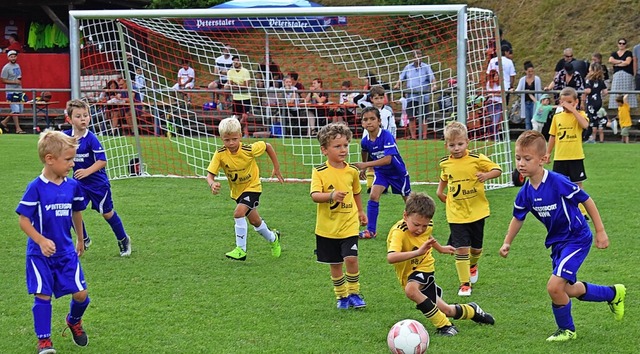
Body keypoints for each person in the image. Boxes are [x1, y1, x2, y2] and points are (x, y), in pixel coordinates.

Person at [500, 130, 626, 342]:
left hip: (577, 238)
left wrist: (601, 231)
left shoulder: (557, 181)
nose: (521, 163)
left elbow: (586, 200)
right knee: (567, 289)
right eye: (518, 158)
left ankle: (567, 330)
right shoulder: (526, 192)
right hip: (558, 243)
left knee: (554, 287)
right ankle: (613, 294)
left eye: (527, 159)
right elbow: (518, 217)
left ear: (542, 160)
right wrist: (507, 242)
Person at [16, 130, 91, 353]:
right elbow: (23, 220)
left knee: (81, 294)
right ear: (50, 159)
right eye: (68, 160)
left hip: (66, 251)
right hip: (40, 255)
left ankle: (73, 320)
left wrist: (80, 238)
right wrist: (40, 240)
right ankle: (44, 340)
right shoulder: (36, 187)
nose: (72, 164)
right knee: (43, 295)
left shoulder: (72, 186)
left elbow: (77, 212)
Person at [387, 192, 495, 336]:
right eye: (416, 224)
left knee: (411, 290)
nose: (420, 229)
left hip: (424, 266)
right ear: (405, 216)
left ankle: (444, 326)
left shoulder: (428, 225)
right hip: (408, 272)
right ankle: (472, 310)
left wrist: (440, 248)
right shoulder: (399, 232)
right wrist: (417, 252)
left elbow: (428, 236)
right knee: (446, 310)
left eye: (424, 226)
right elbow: (391, 257)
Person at [436, 121, 502, 296]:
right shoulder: (445, 163)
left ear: (467, 142)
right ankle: (464, 284)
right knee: (461, 248)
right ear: (446, 145)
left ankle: (473, 265)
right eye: (452, 145)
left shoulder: (476, 159)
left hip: (476, 211)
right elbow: (444, 178)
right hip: (456, 213)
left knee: (476, 249)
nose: (456, 148)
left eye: (460, 144)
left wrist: (486, 175)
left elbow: (497, 169)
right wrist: (440, 192)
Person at [206, 117, 283, 261]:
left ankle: (241, 250)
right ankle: (273, 238)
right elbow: (210, 175)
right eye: (227, 140)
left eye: (234, 139)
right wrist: (212, 184)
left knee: (238, 213)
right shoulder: (220, 154)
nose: (231, 143)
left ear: (240, 136)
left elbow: (267, 146)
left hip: (253, 187)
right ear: (221, 138)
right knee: (255, 221)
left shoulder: (249, 149)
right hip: (237, 192)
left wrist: (276, 168)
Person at [63, 99, 132, 256]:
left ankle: (123, 239)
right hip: (78, 184)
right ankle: (84, 238)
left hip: (97, 184)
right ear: (69, 119)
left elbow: (102, 161)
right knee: (71, 210)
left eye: (85, 115)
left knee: (107, 213)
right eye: (78, 116)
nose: (83, 119)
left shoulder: (91, 138)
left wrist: (87, 171)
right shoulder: (65, 137)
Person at [310, 122, 367, 309]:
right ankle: (341, 296)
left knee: (351, 258)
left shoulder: (352, 171)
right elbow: (315, 196)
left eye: (345, 145)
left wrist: (360, 211)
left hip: (348, 224)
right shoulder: (319, 172)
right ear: (324, 150)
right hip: (327, 228)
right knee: (335, 264)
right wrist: (331, 195)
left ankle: (354, 293)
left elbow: (357, 192)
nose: (343, 150)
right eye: (337, 146)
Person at [353, 106, 410, 239]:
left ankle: (420, 222)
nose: (369, 122)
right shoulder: (365, 141)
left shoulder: (386, 136)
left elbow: (388, 159)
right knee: (373, 196)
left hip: (397, 173)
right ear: (362, 123)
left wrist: (366, 164)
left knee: (409, 202)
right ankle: (370, 231)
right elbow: (365, 151)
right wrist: (364, 168)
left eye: (372, 119)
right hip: (382, 173)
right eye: (365, 120)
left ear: (379, 121)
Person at [546, 87, 590, 219]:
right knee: (559, 185)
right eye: (563, 102)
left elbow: (585, 125)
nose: (566, 105)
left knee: (577, 185)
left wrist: (573, 110)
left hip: (575, 156)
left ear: (576, 102)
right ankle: (562, 210)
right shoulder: (557, 117)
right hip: (560, 157)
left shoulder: (580, 115)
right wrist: (548, 153)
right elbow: (553, 136)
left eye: (569, 102)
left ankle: (582, 211)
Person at [354, 85, 397, 193]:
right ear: (371, 99)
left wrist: (393, 138)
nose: (379, 101)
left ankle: (384, 186)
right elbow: (357, 100)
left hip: (384, 140)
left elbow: (392, 125)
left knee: (384, 163)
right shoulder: (367, 107)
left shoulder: (388, 111)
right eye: (376, 98)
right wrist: (367, 95)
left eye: (381, 98)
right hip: (369, 140)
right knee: (370, 162)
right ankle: (370, 186)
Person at [394, 49, 436, 140]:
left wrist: (434, 86)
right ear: (413, 58)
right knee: (411, 117)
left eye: (419, 56)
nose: (418, 58)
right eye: (416, 56)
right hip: (411, 97)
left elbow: (432, 78)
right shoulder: (408, 67)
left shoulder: (426, 67)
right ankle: (413, 137)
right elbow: (401, 78)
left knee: (424, 117)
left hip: (423, 97)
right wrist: (397, 84)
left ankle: (424, 137)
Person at [225, 56, 252, 137]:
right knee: (236, 117)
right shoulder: (230, 72)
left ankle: (237, 130)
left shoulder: (245, 71)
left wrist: (236, 85)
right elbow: (230, 84)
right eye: (234, 61)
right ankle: (245, 134)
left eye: (237, 60)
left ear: (240, 62)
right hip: (236, 97)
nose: (236, 62)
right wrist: (238, 85)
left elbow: (246, 85)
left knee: (244, 117)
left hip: (245, 97)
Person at [0, 50, 26, 133]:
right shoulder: (6, 67)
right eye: (11, 56)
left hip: (19, 90)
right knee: (15, 109)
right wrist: (14, 82)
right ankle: (18, 129)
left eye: (14, 56)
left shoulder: (17, 65)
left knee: (20, 110)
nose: (13, 58)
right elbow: (3, 80)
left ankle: (4, 122)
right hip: (11, 91)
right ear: (8, 57)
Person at [608, 38, 637, 108]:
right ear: (618, 44)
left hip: (627, 74)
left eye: (623, 43)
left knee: (627, 90)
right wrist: (621, 62)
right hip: (617, 74)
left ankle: (628, 105)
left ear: (625, 45)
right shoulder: (614, 53)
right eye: (620, 43)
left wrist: (617, 63)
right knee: (616, 90)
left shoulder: (628, 53)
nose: (621, 45)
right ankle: (615, 106)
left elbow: (627, 62)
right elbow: (611, 60)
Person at [584, 63, 608, 143]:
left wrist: (584, 92)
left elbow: (588, 90)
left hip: (591, 102)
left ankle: (607, 123)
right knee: (594, 118)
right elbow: (605, 92)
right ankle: (592, 138)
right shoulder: (601, 81)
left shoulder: (589, 80)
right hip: (598, 101)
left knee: (590, 118)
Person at [515, 61, 542, 130]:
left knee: (534, 121)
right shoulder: (522, 80)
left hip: (534, 103)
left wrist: (540, 104)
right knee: (527, 122)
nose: (531, 73)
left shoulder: (537, 79)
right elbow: (518, 91)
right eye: (529, 71)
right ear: (525, 71)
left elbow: (539, 93)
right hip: (526, 103)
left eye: (532, 71)